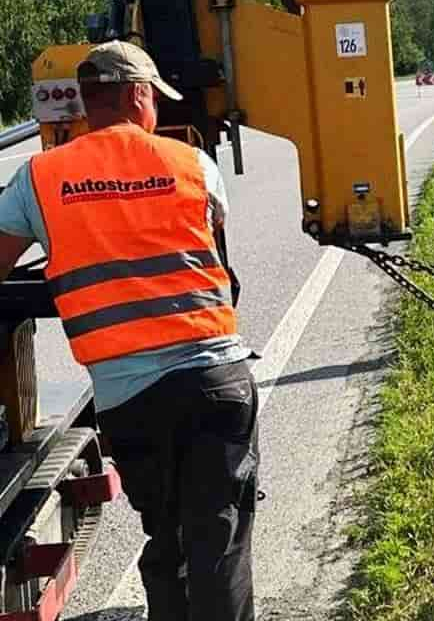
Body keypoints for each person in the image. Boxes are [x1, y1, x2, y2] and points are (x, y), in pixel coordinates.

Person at [0, 41, 258, 620]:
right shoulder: (192, 164)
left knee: (167, 541)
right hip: (215, 379)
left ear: (87, 104)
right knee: (220, 542)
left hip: (129, 401)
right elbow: (213, 258)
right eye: (155, 101)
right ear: (139, 95)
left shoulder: (40, 176)